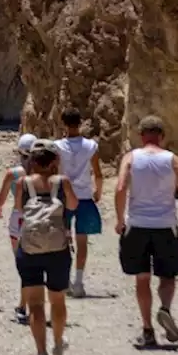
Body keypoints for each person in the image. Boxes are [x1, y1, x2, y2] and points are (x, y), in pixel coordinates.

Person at [114, 114, 178, 347]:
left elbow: (121, 187)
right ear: (162, 136)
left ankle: (147, 330)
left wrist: (118, 219)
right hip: (165, 226)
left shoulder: (131, 158)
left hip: (137, 225)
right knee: (167, 275)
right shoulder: (172, 160)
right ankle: (164, 308)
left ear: (141, 135)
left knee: (142, 279)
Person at [13, 139, 78, 355]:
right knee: (57, 299)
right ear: (53, 161)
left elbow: (20, 210)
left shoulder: (23, 183)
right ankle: (58, 344)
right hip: (58, 249)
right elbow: (72, 206)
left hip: (29, 248)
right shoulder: (62, 182)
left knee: (35, 303)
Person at [55, 107, 104, 297]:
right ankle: (79, 282)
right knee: (82, 240)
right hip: (84, 196)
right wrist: (97, 193)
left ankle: (64, 280)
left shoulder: (58, 146)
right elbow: (98, 174)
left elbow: (55, 170)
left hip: (64, 197)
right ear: (80, 122)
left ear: (63, 124)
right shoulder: (91, 146)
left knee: (62, 239)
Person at [0, 133, 37, 324]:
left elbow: (1, 200)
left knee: (24, 264)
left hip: (18, 219)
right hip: (40, 216)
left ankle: (23, 306)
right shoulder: (46, 173)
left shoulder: (13, 174)